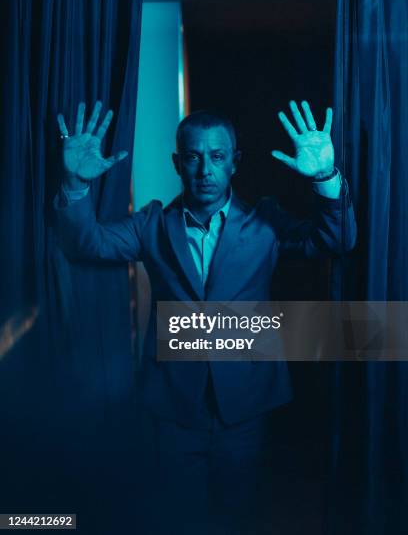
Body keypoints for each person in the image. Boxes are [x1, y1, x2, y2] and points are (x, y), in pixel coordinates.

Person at [54, 100, 356, 534]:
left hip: (246, 406)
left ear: (235, 163)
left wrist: (326, 178)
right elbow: (85, 244)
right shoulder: (153, 224)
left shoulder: (264, 222)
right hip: (175, 408)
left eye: (217, 157)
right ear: (178, 162)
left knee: (238, 517)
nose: (205, 171)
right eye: (193, 157)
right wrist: (74, 185)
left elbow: (339, 239)